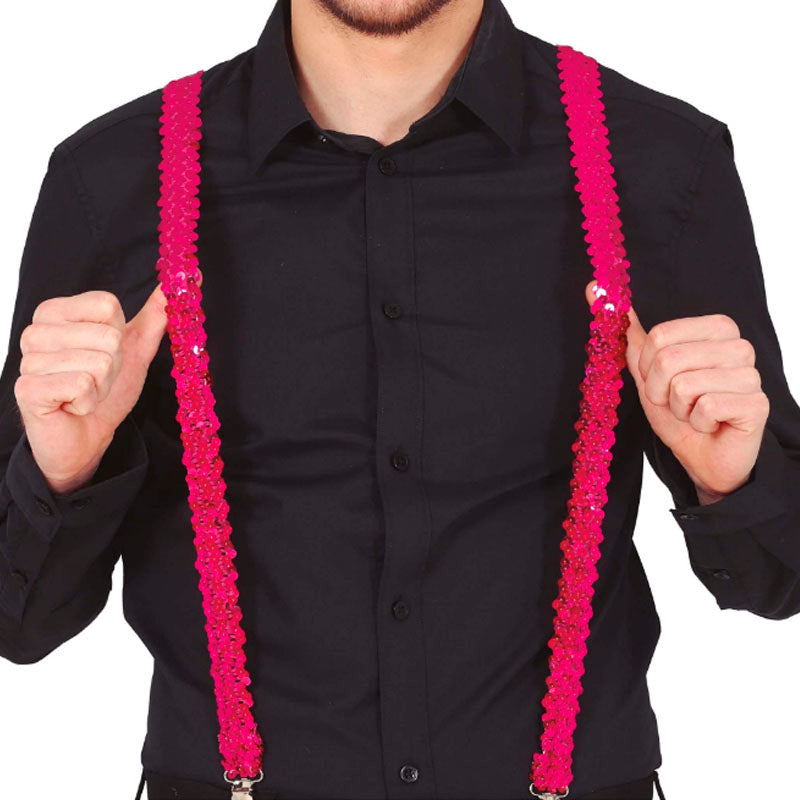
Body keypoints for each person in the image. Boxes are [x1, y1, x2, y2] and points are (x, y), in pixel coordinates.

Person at [1, 0, 798, 797]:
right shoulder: (109, 181)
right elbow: (17, 621)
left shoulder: (660, 162)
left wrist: (730, 480)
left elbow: (780, 577)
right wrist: (64, 476)